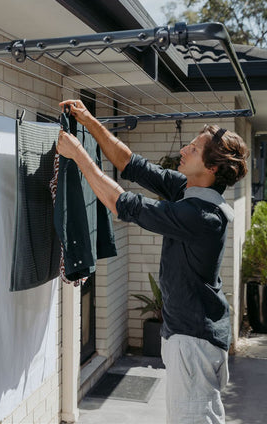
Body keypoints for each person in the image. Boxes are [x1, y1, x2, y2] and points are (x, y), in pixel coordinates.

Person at [56, 99, 249, 424]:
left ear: (211, 168)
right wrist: (88, 120)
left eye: (194, 148)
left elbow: (124, 204)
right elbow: (132, 164)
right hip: (189, 335)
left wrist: (78, 155)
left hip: (194, 341)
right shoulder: (189, 189)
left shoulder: (201, 215)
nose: (184, 150)